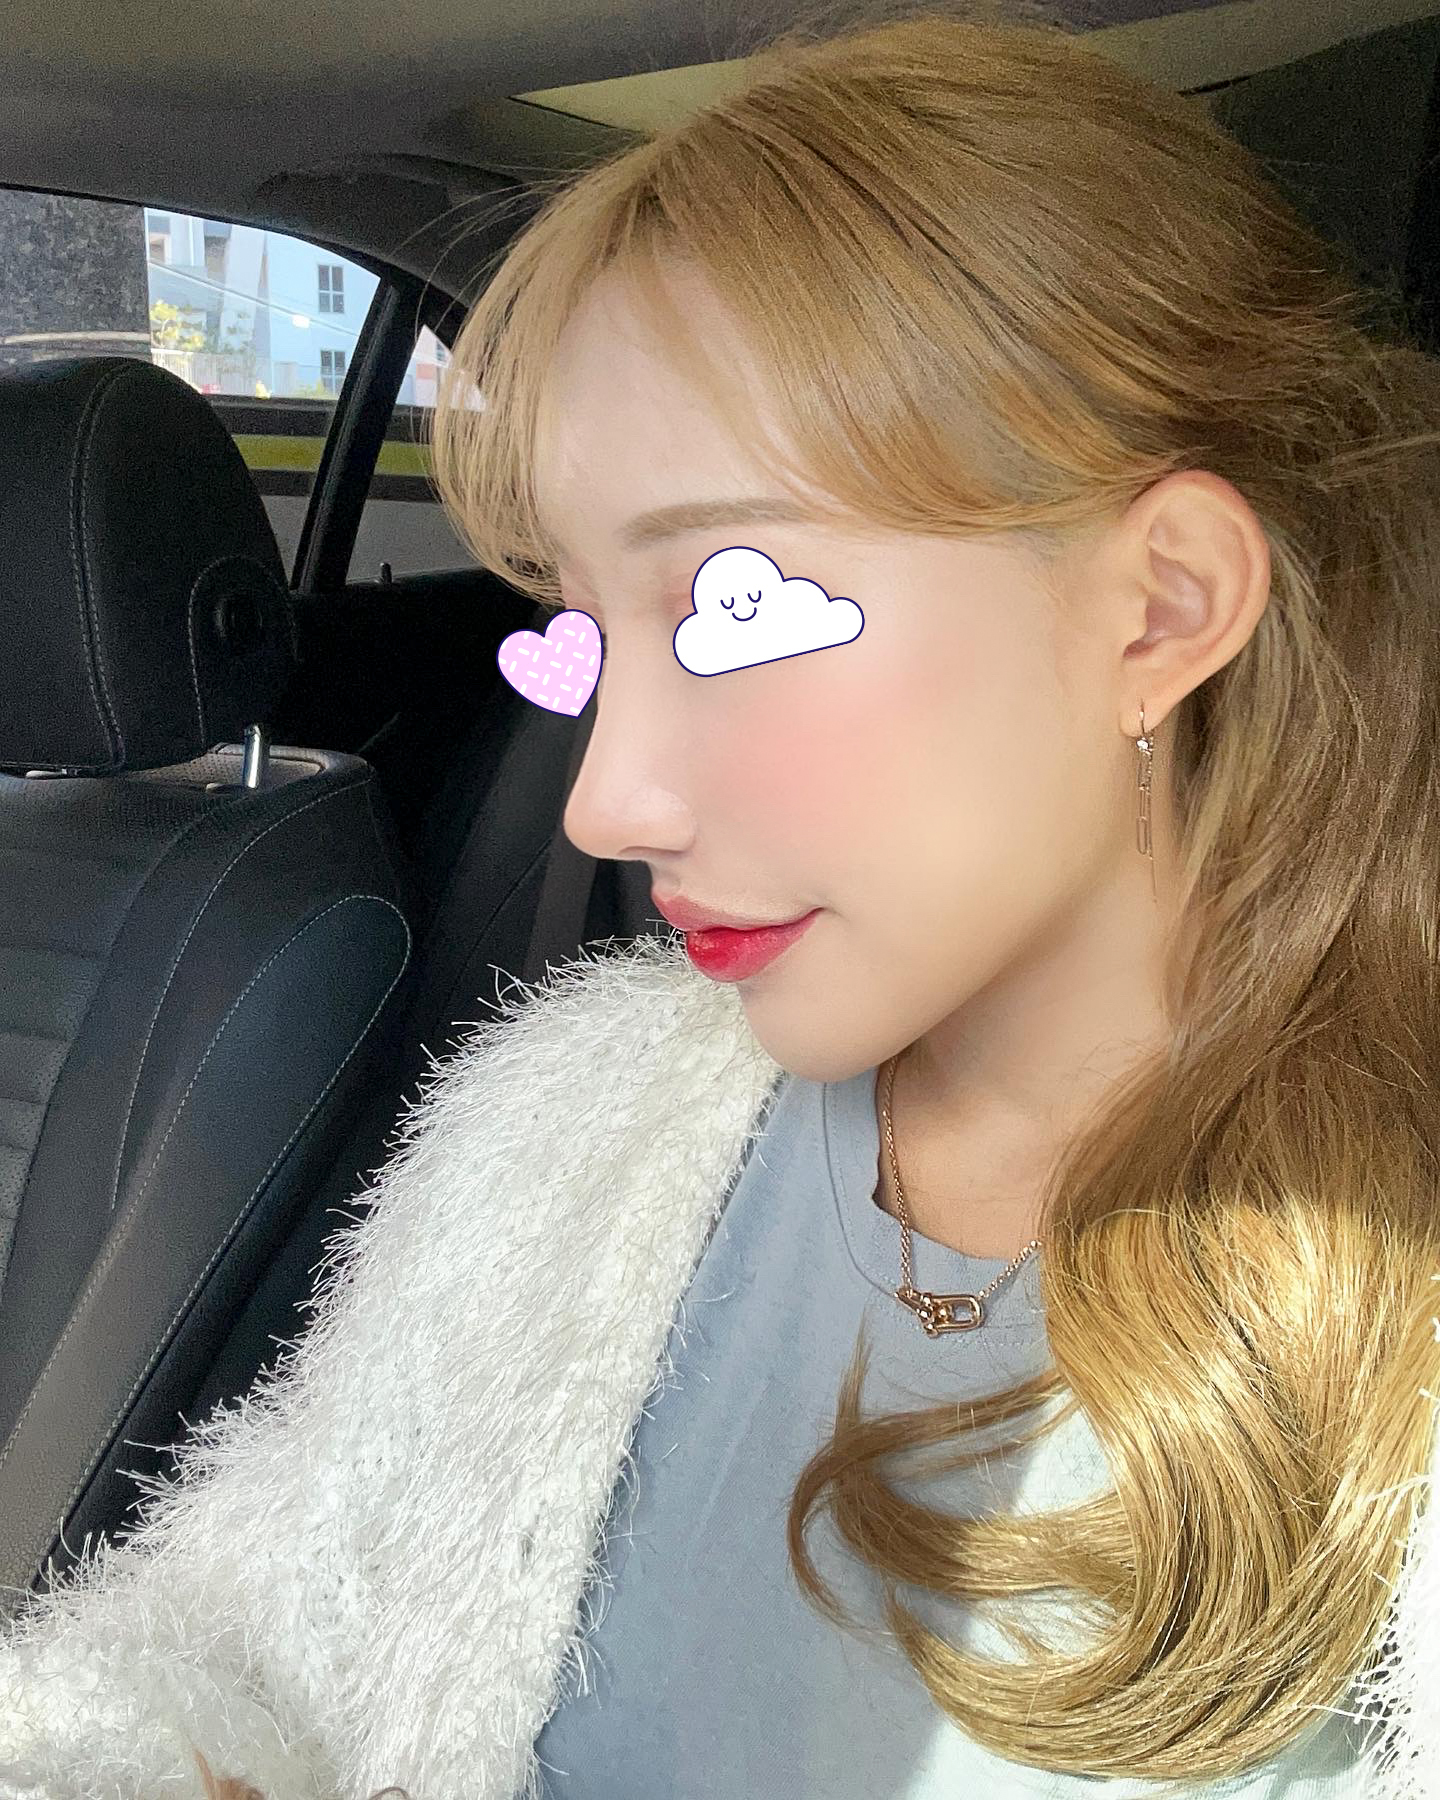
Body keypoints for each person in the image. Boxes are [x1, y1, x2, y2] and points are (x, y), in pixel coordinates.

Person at [2, 3, 1438, 1797]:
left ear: (1159, 610)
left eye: (734, 612)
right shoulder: (572, 1133)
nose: (608, 799)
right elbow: (231, 1659)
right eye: (589, 633)